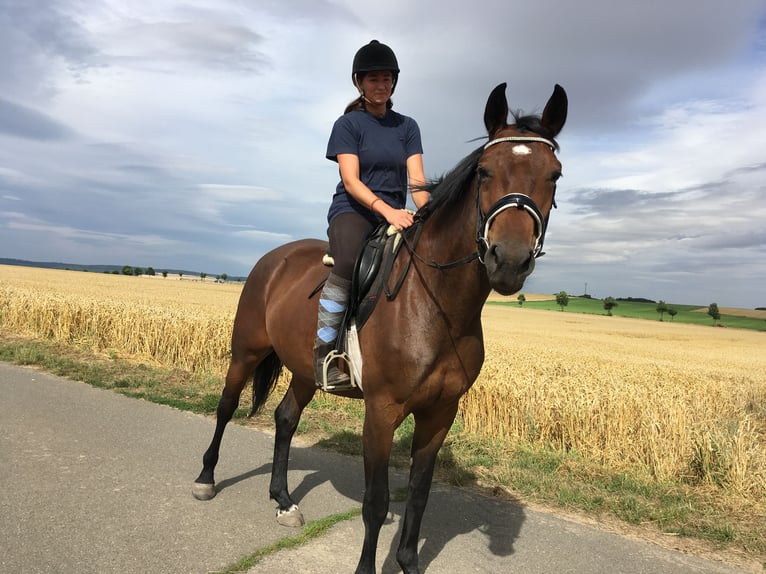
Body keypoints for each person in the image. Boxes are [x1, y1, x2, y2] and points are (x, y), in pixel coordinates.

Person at [315, 39, 429, 388]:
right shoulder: (349, 125)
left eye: (387, 79)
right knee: (348, 262)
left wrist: (429, 214)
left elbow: (418, 182)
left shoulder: (407, 127)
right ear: (359, 82)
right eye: (374, 79)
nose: (382, 85)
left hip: (396, 212)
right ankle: (325, 354)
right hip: (354, 211)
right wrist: (388, 212)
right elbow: (350, 181)